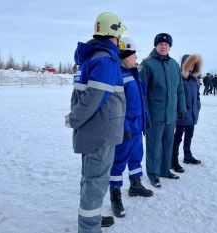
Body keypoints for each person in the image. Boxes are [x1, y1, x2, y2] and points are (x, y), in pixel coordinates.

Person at [65, 12, 126, 233]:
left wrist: (76, 119)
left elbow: (81, 97)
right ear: (114, 34)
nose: (120, 41)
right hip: (101, 133)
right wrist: (73, 119)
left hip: (93, 131)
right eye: (119, 36)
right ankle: (89, 228)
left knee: (90, 179)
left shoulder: (91, 57)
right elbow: (93, 99)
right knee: (95, 181)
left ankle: (92, 219)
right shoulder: (106, 60)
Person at [109, 37, 153, 218]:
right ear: (125, 55)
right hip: (125, 128)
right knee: (118, 162)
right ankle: (115, 196)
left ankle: (135, 185)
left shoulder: (134, 74)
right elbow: (116, 106)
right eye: (133, 54)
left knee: (136, 157)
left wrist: (146, 119)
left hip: (137, 126)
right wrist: (124, 125)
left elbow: (142, 101)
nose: (136, 57)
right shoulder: (118, 75)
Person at [139, 33, 187, 188]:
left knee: (168, 143)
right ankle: (153, 175)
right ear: (155, 46)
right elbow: (142, 93)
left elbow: (179, 89)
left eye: (166, 44)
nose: (163, 46)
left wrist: (181, 107)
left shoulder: (174, 65)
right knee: (154, 146)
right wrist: (145, 113)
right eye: (160, 44)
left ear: (170, 47)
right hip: (154, 114)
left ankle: (165, 170)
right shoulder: (147, 64)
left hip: (170, 114)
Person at [172, 54, 203, 173]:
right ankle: (173, 160)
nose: (191, 66)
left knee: (189, 135)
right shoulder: (179, 77)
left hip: (192, 113)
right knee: (177, 137)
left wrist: (198, 106)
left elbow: (197, 95)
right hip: (181, 114)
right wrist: (180, 109)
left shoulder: (195, 78)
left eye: (193, 64)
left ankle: (187, 156)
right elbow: (176, 95)